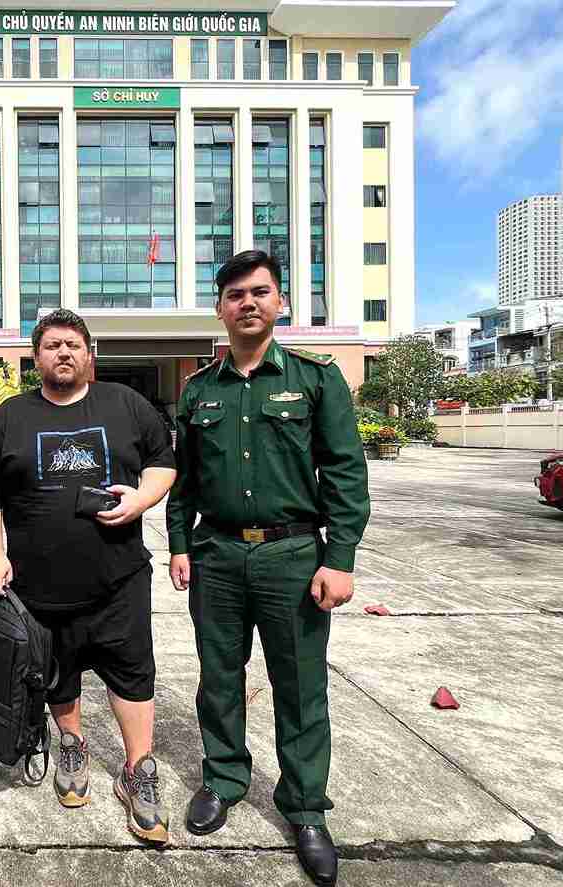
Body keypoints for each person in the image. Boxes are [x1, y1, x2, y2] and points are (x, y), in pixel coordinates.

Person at [166, 250, 370, 887]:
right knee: (219, 678)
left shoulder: (316, 380)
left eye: (260, 292)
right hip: (218, 555)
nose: (247, 303)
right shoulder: (199, 390)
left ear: (280, 302)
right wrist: (179, 544)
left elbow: (345, 472)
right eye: (235, 295)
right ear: (220, 309)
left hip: (293, 556)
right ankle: (223, 779)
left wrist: (340, 558)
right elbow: (184, 480)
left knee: (301, 686)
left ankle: (305, 808)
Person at [0, 308, 177, 844]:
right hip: (39, 587)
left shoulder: (125, 404)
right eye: (52, 345)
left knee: (132, 673)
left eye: (73, 345)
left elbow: (163, 461)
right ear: (36, 357)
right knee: (57, 675)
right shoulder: (10, 417)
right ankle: (72, 745)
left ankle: (138, 769)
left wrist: (142, 499)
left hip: (119, 578)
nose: (63, 352)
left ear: (89, 355)